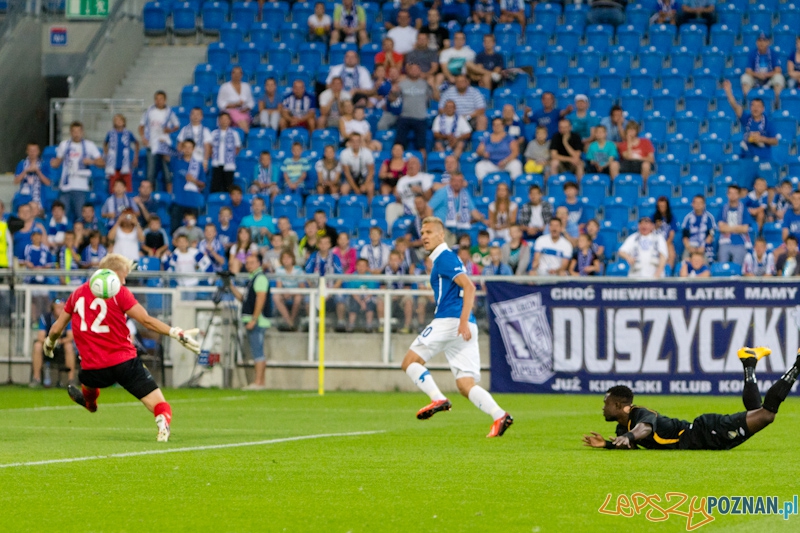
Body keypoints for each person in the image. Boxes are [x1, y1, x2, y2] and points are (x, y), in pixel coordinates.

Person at [43, 253, 201, 441]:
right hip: (124, 363)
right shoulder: (120, 293)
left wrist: (49, 345)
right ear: (114, 274)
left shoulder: (77, 294)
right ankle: (162, 422)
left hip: (92, 369)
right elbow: (147, 321)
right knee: (160, 404)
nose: (124, 281)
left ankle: (90, 403)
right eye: (124, 275)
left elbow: (56, 329)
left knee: (88, 383)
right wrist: (175, 332)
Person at [401, 216, 513, 437]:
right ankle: (500, 415)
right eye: (422, 233)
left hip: (450, 321)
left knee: (410, 362)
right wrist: (465, 321)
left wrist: (462, 321)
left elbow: (469, 287)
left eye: (429, 232)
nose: (424, 237)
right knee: (465, 384)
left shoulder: (443, 257)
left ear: (441, 235)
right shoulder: (444, 259)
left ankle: (437, 398)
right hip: (463, 324)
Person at [583, 346, 799, 450]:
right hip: (705, 438)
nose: (603, 407)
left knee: (767, 415)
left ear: (620, 405)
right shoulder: (623, 428)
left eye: (606, 403)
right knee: (757, 411)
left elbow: (645, 430)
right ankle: (749, 362)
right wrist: (607, 445)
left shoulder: (640, 414)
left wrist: (630, 437)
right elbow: (629, 443)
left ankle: (797, 363)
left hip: (707, 432)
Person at [229, 251, 270, 390]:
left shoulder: (259, 278)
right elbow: (245, 299)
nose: (249, 265)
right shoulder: (252, 279)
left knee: (257, 351)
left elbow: (261, 298)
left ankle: (259, 382)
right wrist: (230, 286)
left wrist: (254, 318)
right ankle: (259, 382)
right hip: (253, 319)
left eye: (252, 263)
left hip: (257, 321)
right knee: (256, 351)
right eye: (247, 263)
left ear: (258, 264)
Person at [50, 121, 104, 223]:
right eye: (74, 131)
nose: (76, 134)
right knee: (62, 216)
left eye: (78, 131)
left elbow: (102, 162)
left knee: (81, 216)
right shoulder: (64, 145)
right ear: (70, 132)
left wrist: (91, 161)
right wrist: (54, 163)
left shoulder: (89, 145)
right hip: (65, 186)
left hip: (81, 186)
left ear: (82, 132)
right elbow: (57, 162)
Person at [722, 80, 778, 163]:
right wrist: (728, 92)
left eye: (758, 106)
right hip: (747, 158)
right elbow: (735, 107)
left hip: (764, 159)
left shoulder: (768, 123)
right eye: (753, 105)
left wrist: (761, 139)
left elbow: (775, 141)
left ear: (763, 109)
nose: (755, 108)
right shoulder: (746, 119)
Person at [138, 91, 180, 192]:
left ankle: (170, 197)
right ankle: (149, 196)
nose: (159, 101)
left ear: (165, 100)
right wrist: (143, 137)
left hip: (164, 144)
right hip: (152, 145)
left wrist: (169, 130)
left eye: (161, 99)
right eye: (157, 99)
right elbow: (141, 126)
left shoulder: (169, 112)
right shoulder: (149, 111)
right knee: (150, 174)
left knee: (167, 173)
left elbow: (177, 125)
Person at [393, 62, 437, 157]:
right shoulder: (402, 84)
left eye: (416, 69)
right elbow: (393, 100)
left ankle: (423, 166)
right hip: (405, 116)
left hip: (420, 117)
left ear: (420, 71)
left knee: (421, 146)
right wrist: (393, 91)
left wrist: (433, 86)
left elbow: (436, 97)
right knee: (399, 144)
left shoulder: (425, 84)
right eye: (412, 69)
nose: (414, 71)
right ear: (408, 71)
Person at [31, 298, 76, 387]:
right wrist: (51, 342)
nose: (61, 310)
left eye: (63, 308)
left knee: (69, 346)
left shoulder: (68, 317)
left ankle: (71, 380)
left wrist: (60, 341)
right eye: (58, 307)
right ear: (53, 308)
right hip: (48, 345)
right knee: (37, 346)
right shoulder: (45, 318)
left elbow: (70, 336)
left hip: (62, 345)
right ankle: (36, 378)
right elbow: (40, 337)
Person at [740, 32, 785, 99]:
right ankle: (747, 101)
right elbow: (748, 70)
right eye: (760, 41)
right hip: (756, 77)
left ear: (768, 42)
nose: (762, 43)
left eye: (764, 40)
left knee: (779, 78)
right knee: (745, 78)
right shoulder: (752, 53)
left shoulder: (773, 53)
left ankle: (777, 102)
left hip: (769, 78)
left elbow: (778, 70)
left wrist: (766, 75)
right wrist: (757, 75)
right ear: (756, 42)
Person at [103, 114, 139, 193]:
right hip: (114, 165)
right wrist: (106, 154)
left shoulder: (128, 133)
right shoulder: (110, 134)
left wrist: (136, 157)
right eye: (117, 120)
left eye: (120, 120)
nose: (119, 122)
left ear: (124, 122)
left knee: (128, 187)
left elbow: (136, 143)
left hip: (125, 164)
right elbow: (105, 143)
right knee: (113, 187)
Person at [207, 112, 242, 194]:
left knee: (228, 187)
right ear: (219, 121)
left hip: (229, 165)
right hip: (216, 163)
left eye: (226, 119)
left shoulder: (234, 134)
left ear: (230, 121)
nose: (224, 121)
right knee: (215, 186)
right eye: (222, 119)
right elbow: (209, 147)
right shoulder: (214, 133)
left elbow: (237, 147)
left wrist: (231, 156)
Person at [342, 258, 380, 333]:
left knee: (370, 303)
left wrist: (364, 300)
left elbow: (371, 291)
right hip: (356, 297)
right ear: (356, 266)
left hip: (367, 297)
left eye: (364, 265)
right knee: (353, 303)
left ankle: (369, 326)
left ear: (367, 267)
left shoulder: (370, 277)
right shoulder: (353, 276)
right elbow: (353, 292)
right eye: (359, 265)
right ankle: (351, 325)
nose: (361, 267)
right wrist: (360, 302)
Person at [718, 184, 752, 265]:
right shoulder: (723, 209)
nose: (732, 195)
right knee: (722, 262)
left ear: (739, 195)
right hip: (725, 242)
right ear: (727, 195)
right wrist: (737, 228)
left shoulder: (744, 209)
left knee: (738, 265)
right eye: (730, 193)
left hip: (740, 242)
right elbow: (721, 228)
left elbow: (745, 229)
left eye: (735, 193)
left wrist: (728, 227)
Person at [273, 250, 306, 331]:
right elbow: (279, 286)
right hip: (284, 292)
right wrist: (284, 293)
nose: (286, 260)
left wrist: (291, 293)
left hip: (296, 292)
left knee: (298, 298)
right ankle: (289, 322)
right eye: (284, 258)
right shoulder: (279, 270)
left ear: (292, 259)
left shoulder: (298, 270)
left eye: (288, 258)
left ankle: (291, 320)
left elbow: (302, 287)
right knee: (276, 297)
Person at [339, 133, 375, 200]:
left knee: (370, 188)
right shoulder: (344, 154)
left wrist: (365, 185)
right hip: (351, 178)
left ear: (360, 142)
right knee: (344, 189)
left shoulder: (367, 153)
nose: (355, 143)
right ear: (349, 142)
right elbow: (347, 174)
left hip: (364, 178)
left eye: (357, 141)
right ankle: (347, 207)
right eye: (353, 141)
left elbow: (371, 171)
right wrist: (356, 188)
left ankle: (370, 208)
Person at [681, 194, 716, 262]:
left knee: (706, 262)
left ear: (704, 205)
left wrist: (704, 246)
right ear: (692, 204)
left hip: (704, 246)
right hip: (691, 246)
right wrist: (689, 248)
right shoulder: (688, 218)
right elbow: (685, 236)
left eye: (700, 203)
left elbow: (711, 235)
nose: (698, 205)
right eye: (696, 203)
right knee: (684, 262)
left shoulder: (709, 217)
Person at [652, 196, 677, 268]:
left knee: (671, 254)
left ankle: (668, 272)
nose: (662, 208)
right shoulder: (653, 217)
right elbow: (649, 231)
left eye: (664, 206)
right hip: (655, 242)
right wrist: (656, 226)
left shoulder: (671, 217)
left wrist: (665, 244)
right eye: (660, 206)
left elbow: (672, 234)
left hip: (667, 242)